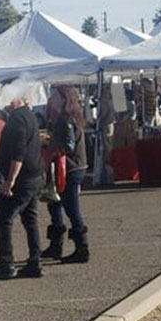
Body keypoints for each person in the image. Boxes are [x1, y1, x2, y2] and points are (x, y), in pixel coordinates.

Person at [0, 92, 45, 280]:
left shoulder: (17, 118)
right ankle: (35, 262)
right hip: (35, 176)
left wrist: (9, 182)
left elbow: (18, 153)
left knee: (4, 218)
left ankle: (6, 263)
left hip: (24, 179)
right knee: (30, 219)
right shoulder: (28, 115)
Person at [43, 86, 90, 263]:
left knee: (71, 207)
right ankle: (56, 245)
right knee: (54, 203)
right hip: (72, 166)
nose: (51, 100)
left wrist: (50, 145)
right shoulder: (67, 118)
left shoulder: (66, 120)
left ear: (64, 100)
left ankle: (82, 248)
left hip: (70, 167)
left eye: (55, 97)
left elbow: (68, 146)